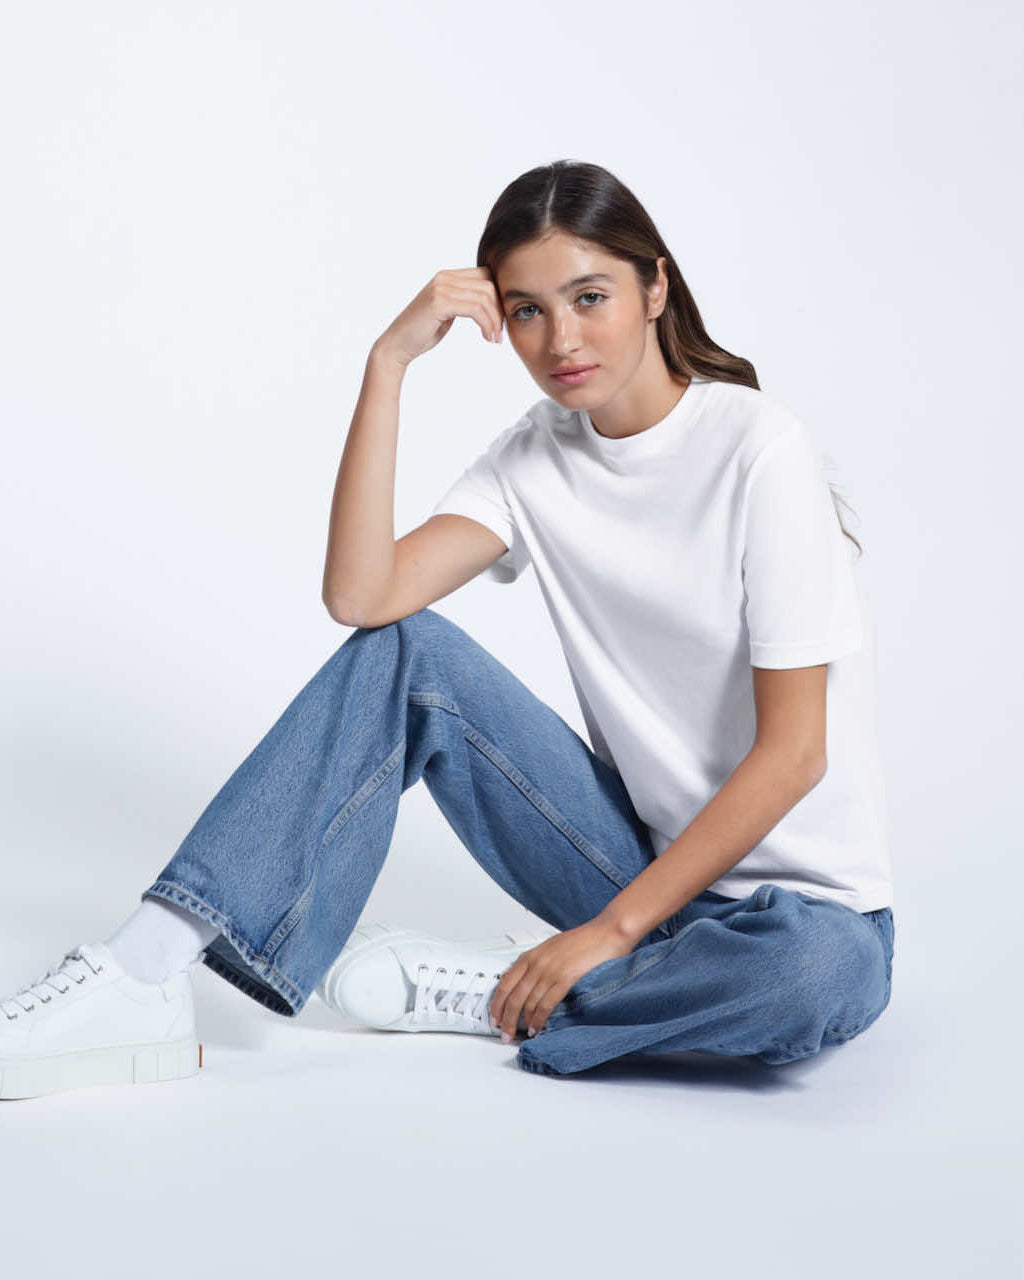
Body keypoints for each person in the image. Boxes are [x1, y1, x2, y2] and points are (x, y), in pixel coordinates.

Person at [0, 160, 895, 1099]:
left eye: (591, 297)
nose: (563, 339)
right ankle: (143, 972)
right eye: (526, 312)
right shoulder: (532, 459)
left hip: (807, 915)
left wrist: (608, 933)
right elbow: (363, 597)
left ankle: (503, 994)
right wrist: (387, 364)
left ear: (656, 285)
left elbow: (795, 755)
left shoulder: (760, 449)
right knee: (405, 653)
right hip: (638, 865)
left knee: (812, 983)